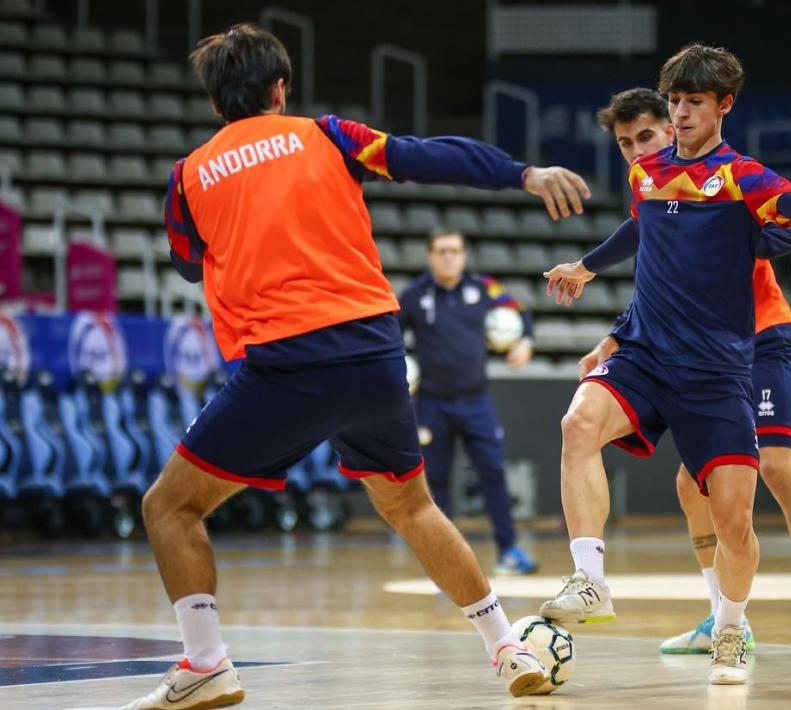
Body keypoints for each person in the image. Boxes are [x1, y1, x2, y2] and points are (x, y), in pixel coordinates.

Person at [125, 23, 591, 709]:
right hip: (375, 354)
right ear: (281, 87)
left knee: (169, 506)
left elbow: (185, 260)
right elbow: (425, 156)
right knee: (412, 505)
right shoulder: (328, 135)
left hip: (286, 364)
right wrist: (523, 173)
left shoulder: (188, 177)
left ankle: (206, 661)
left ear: (215, 100)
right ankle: (507, 647)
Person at [537, 45, 791, 685]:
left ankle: (733, 628)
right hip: (647, 355)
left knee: (735, 515)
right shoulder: (645, 173)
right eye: (676, 102)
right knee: (578, 424)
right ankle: (591, 579)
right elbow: (641, 230)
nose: (681, 114)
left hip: (717, 371)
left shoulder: (742, 176)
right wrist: (586, 266)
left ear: (724, 106)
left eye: (694, 103)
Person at [399, 228, 538, 575]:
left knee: (493, 472)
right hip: (432, 404)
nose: (449, 257)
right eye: (442, 251)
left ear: (464, 255)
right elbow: (389, 333)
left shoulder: (484, 288)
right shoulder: (414, 295)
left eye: (455, 251)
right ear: (430, 256)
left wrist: (526, 342)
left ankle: (508, 550)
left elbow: (521, 311)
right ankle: (442, 561)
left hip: (476, 401)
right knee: (436, 481)